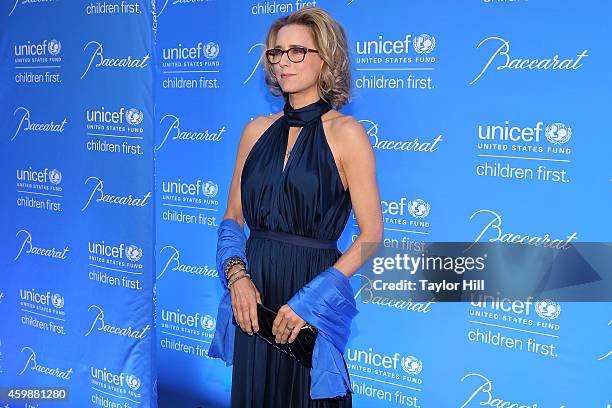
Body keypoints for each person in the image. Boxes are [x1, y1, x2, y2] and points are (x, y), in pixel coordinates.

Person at [209, 6, 383, 407]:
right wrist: (237, 277)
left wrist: (312, 300)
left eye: (297, 51)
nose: (283, 61)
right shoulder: (254, 131)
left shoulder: (347, 134)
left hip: (313, 292)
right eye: (276, 52)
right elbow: (233, 216)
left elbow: (372, 237)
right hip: (255, 292)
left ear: (327, 59)